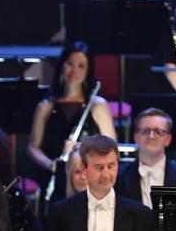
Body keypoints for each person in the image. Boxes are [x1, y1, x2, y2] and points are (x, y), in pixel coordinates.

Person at [28, 42, 117, 199]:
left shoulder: (98, 105)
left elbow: (111, 148)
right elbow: (33, 148)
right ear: (62, 65)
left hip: (89, 181)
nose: (74, 70)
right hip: (54, 179)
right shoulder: (45, 107)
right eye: (70, 63)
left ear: (88, 70)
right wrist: (53, 165)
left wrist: (80, 148)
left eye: (81, 65)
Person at [117, 108, 176, 207]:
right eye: (145, 131)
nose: (151, 136)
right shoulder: (117, 176)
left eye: (158, 131)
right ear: (135, 137)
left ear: (168, 139)